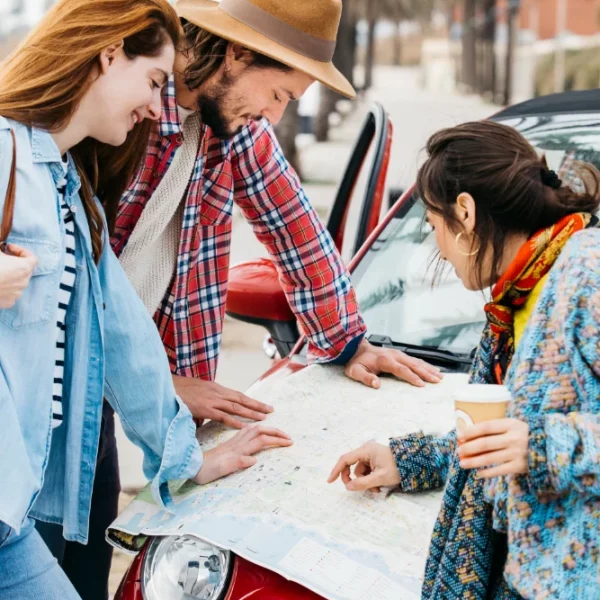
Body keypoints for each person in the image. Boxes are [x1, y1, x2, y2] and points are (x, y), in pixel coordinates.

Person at [0, 2, 291, 599]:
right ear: (109, 54)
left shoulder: (71, 191)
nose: (157, 104)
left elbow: (126, 341)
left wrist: (185, 461)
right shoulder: (4, 151)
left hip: (15, 508)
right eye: (154, 81)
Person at [328, 121, 600, 599]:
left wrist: (541, 447)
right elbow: (507, 436)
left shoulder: (586, 275)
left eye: (433, 226)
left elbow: (531, 440)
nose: (438, 248)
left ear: (466, 212)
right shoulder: (516, 296)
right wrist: (408, 460)